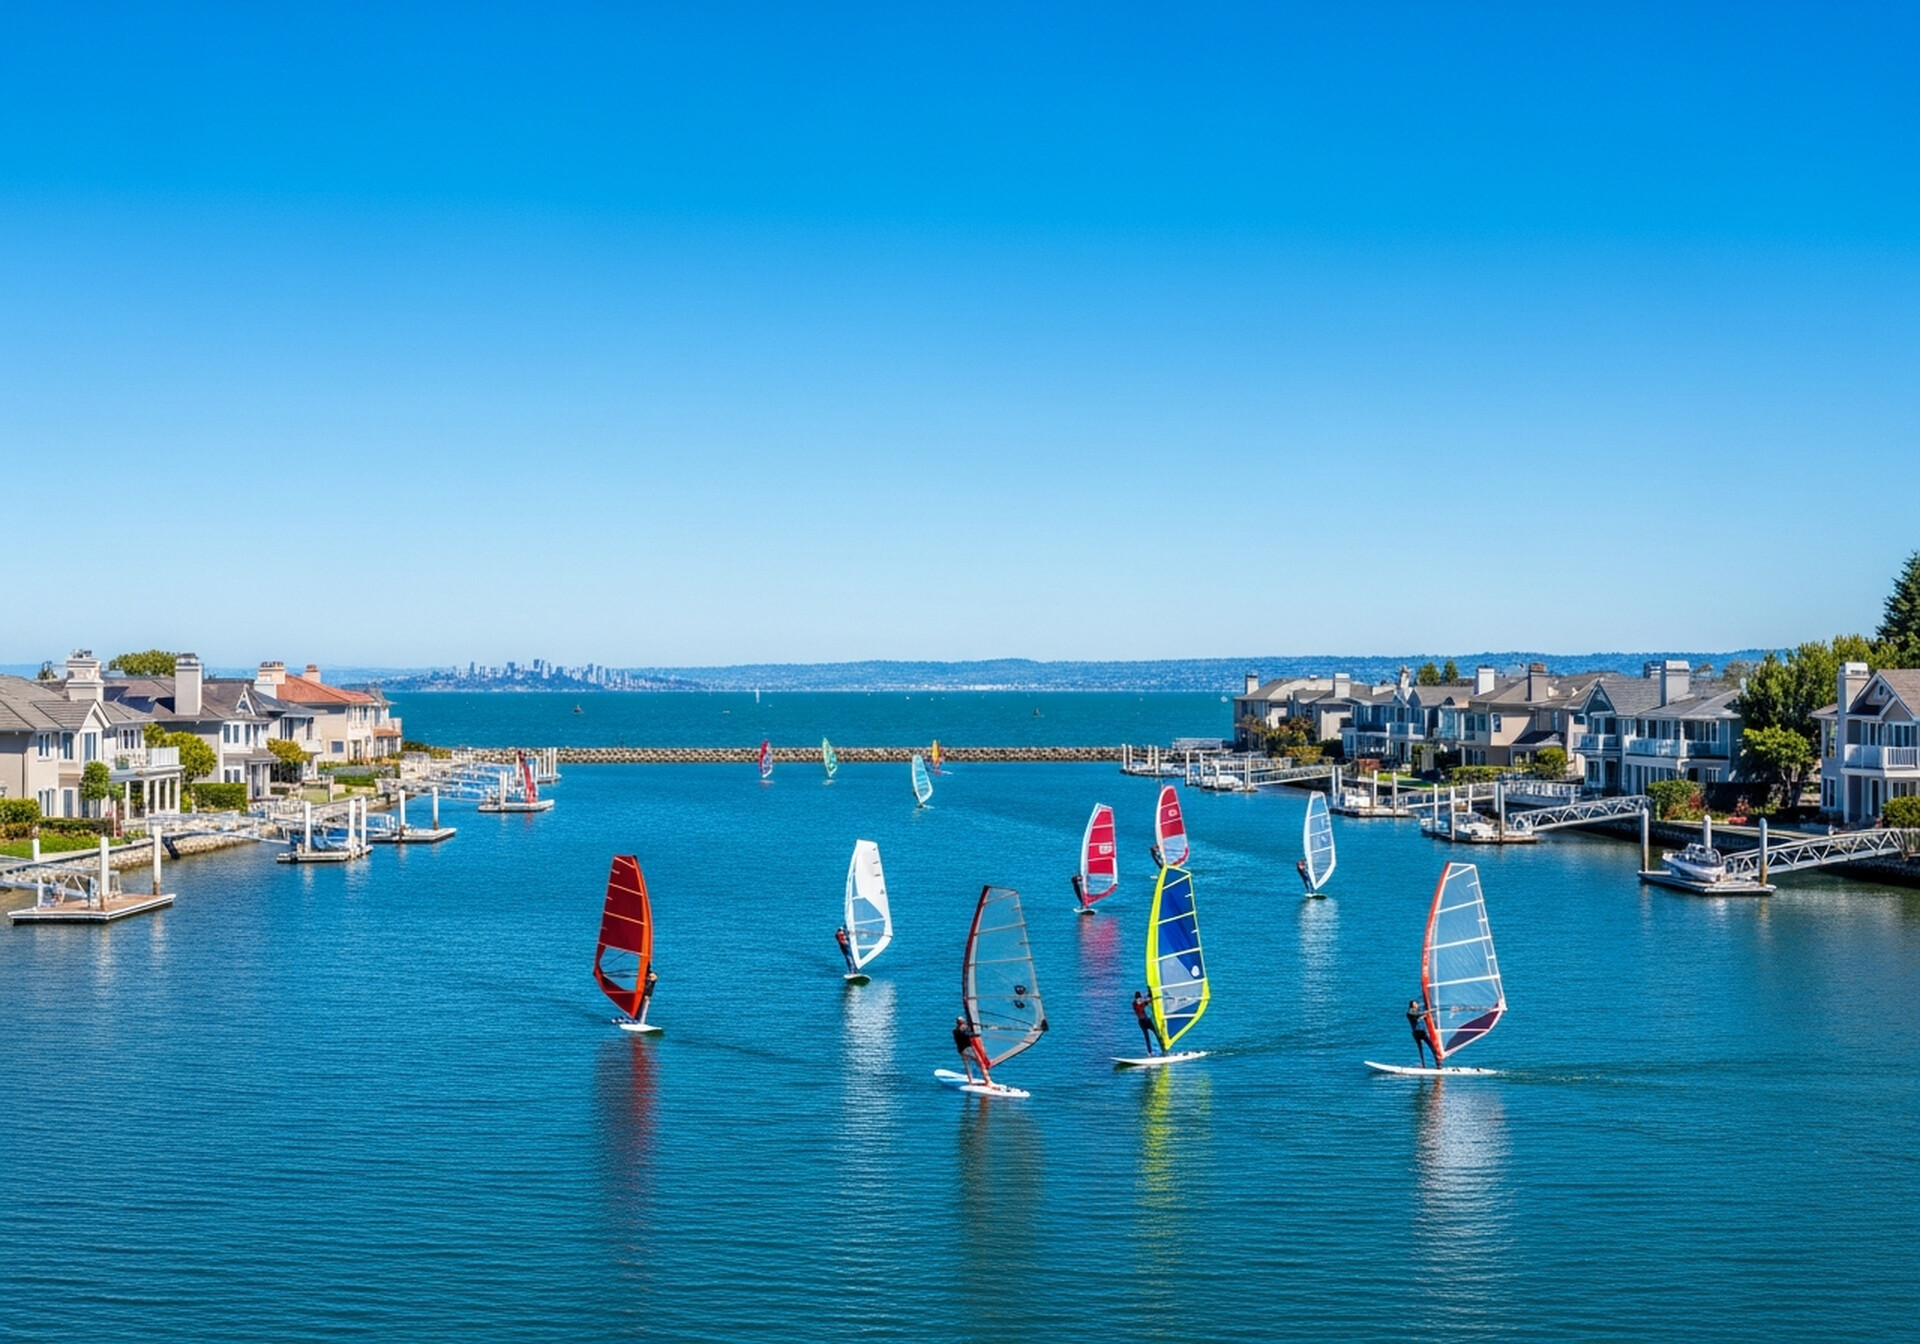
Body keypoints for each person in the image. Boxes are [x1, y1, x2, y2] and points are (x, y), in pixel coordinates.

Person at [1132, 990, 1163, 1057]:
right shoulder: (1134, 1004)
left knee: (1157, 1033)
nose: (1138, 1000)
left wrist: (1150, 996)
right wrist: (1146, 1000)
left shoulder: (1141, 1002)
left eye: (1139, 998)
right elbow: (1140, 1006)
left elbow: (1146, 1001)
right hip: (1142, 1022)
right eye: (1137, 999)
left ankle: (1163, 1050)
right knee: (1147, 1037)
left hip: (1148, 1021)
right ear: (1135, 999)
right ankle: (1150, 1053)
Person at [952, 1015, 981, 1083]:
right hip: (965, 1050)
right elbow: (968, 1034)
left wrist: (968, 1027)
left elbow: (967, 1032)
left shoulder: (956, 1030)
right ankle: (973, 1078)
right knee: (978, 1061)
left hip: (962, 1050)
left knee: (967, 1065)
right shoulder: (959, 1032)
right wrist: (975, 1033)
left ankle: (970, 1079)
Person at [1407, 998, 1431, 1067]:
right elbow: (1414, 1017)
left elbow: (1422, 1015)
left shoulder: (1418, 1012)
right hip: (1417, 1032)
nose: (1416, 1005)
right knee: (1420, 1048)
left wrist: (1426, 1014)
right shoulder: (1410, 1013)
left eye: (1416, 1003)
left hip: (1422, 1032)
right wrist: (1423, 1014)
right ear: (1411, 1005)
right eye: (1414, 1004)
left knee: (1431, 1046)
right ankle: (1423, 1064)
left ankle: (1436, 1063)